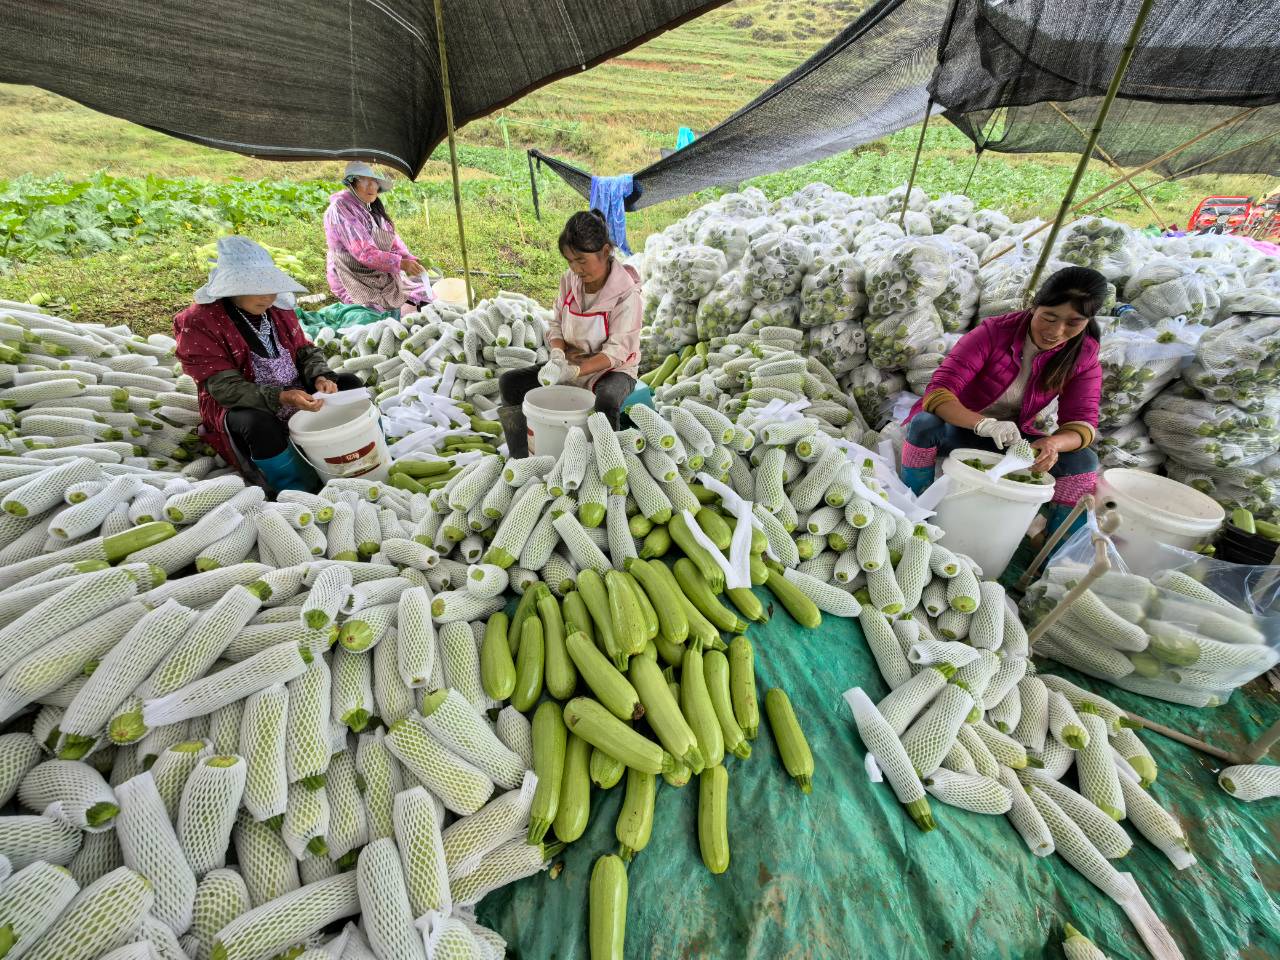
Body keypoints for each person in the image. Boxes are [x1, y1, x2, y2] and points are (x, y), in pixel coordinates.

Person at [899, 266, 1105, 539]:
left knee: (1084, 461)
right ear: (1034, 306)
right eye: (1049, 317)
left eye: (1074, 323)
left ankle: (1054, 548)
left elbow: (1082, 422)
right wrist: (983, 424)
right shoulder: (994, 333)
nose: (1056, 331)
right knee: (924, 424)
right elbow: (938, 394)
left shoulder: (1083, 355)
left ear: (1088, 321)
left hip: (1012, 438)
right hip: (962, 427)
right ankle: (913, 513)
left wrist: (1053, 444)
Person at [175, 236, 365, 493]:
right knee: (259, 425)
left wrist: (320, 376)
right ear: (232, 287)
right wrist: (282, 397)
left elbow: (305, 351)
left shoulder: (277, 309)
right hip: (243, 401)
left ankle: (356, 453)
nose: (268, 297)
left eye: (272, 288)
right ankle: (295, 488)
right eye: (258, 289)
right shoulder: (200, 321)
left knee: (349, 383)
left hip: (294, 389)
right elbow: (224, 389)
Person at [498, 211, 642, 456]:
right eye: (570, 261)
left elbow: (617, 352)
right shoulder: (569, 280)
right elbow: (556, 324)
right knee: (510, 383)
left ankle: (607, 462)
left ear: (605, 251)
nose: (576, 269)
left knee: (606, 401)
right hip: (570, 360)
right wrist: (558, 353)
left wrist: (574, 371)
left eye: (581, 261)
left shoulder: (627, 295)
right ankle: (522, 458)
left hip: (612, 370)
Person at [324, 161, 433, 314]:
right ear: (351, 183)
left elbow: (392, 241)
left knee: (418, 295)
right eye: (365, 181)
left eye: (374, 182)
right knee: (377, 313)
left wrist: (410, 259)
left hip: (375, 272)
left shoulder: (371, 209)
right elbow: (364, 253)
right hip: (352, 275)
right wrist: (401, 263)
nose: (372, 186)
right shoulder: (340, 208)